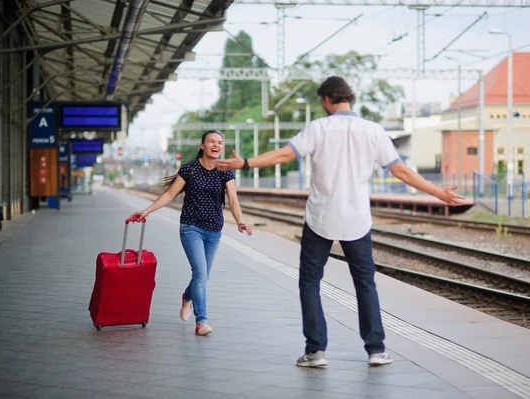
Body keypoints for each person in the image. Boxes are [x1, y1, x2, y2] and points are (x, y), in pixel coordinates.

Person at [216, 76, 465, 367]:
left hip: (320, 217)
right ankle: (376, 350)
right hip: (357, 219)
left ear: (326, 99)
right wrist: (438, 193)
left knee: (310, 282)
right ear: (348, 97)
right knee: (365, 284)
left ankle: (315, 351)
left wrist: (246, 163)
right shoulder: (372, 131)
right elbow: (402, 172)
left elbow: (285, 154)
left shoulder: (319, 127)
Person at [130, 130, 252, 336]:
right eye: (211, 141)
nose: (216, 145)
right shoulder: (190, 168)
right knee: (200, 274)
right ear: (202, 145)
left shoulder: (225, 171)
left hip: (214, 230)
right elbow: (170, 194)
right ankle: (201, 321)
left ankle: (187, 297)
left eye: (219, 142)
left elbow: (233, 200)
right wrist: (147, 211)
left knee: (203, 276)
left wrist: (240, 221)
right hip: (191, 228)